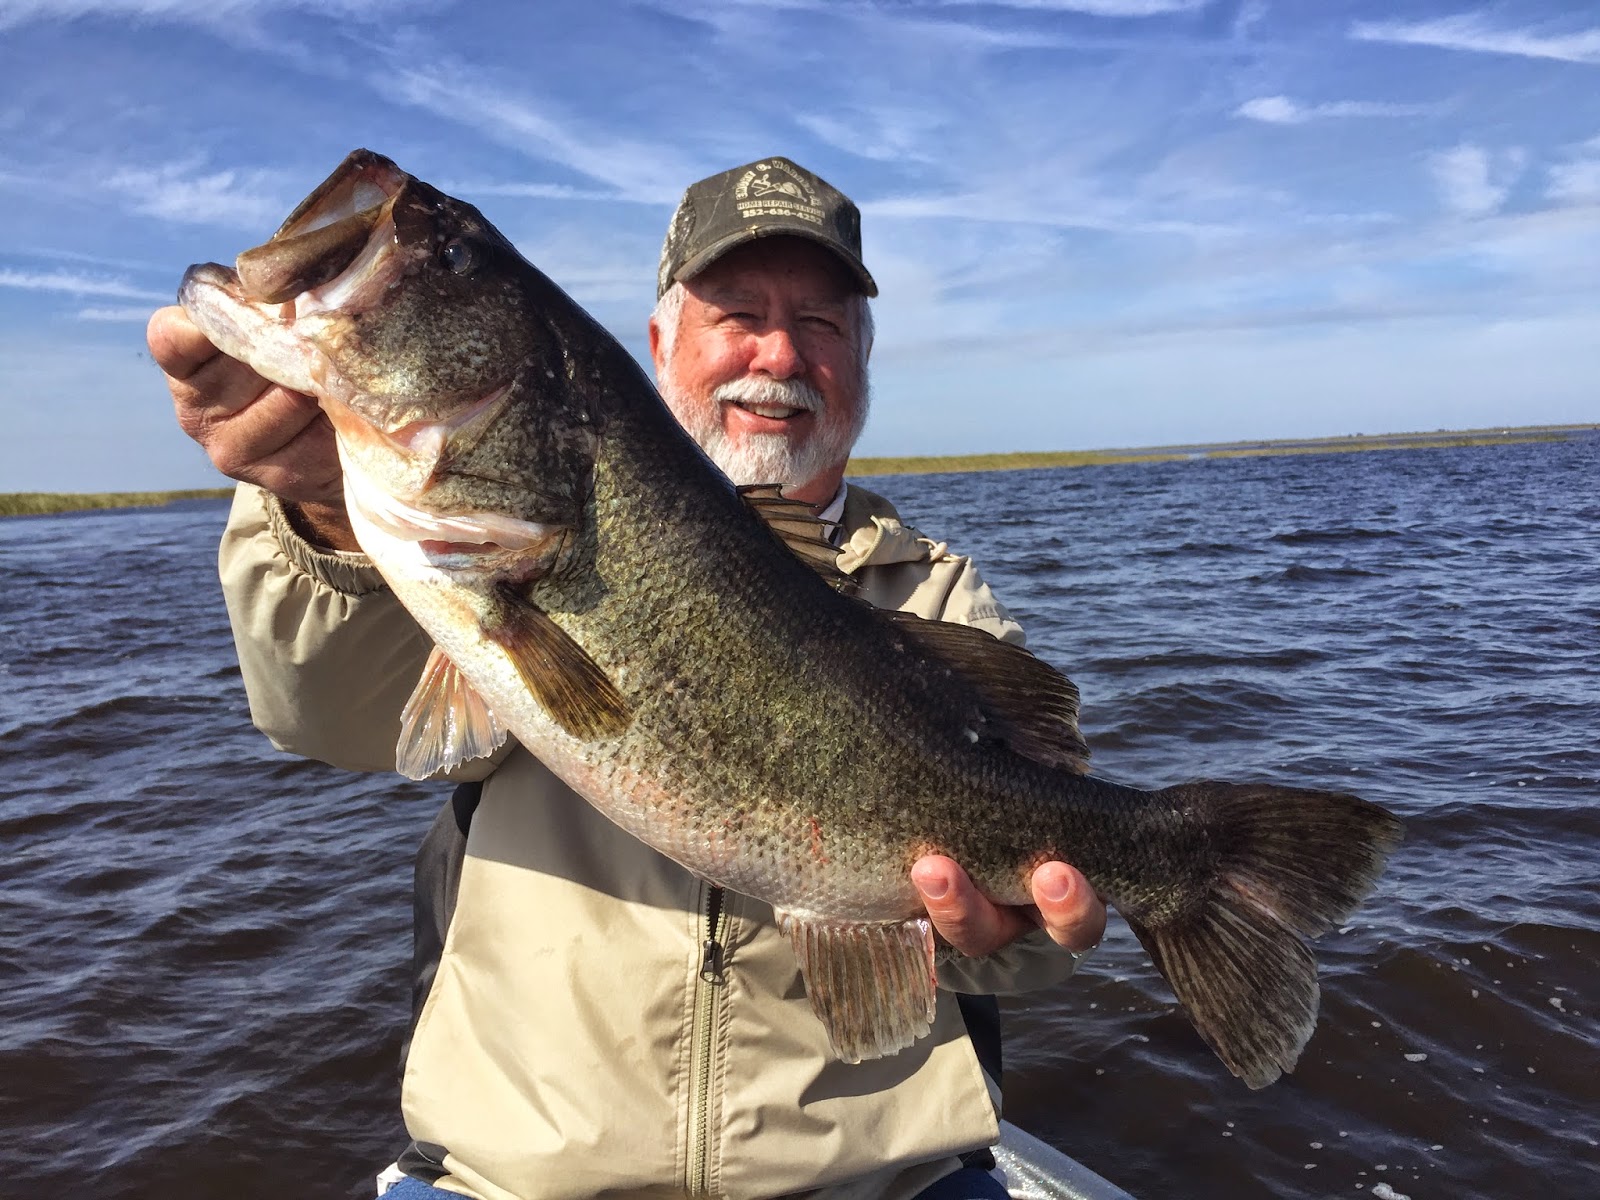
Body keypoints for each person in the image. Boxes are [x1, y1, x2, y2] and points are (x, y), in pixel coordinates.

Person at [148, 156, 1107, 1200]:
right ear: (659, 346)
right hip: (514, 1182)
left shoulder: (940, 597)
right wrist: (323, 516)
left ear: (862, 360)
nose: (779, 354)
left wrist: (1019, 936)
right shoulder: (455, 547)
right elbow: (329, 717)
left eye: (820, 324)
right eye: (736, 314)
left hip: (879, 1183)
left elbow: (1040, 939)